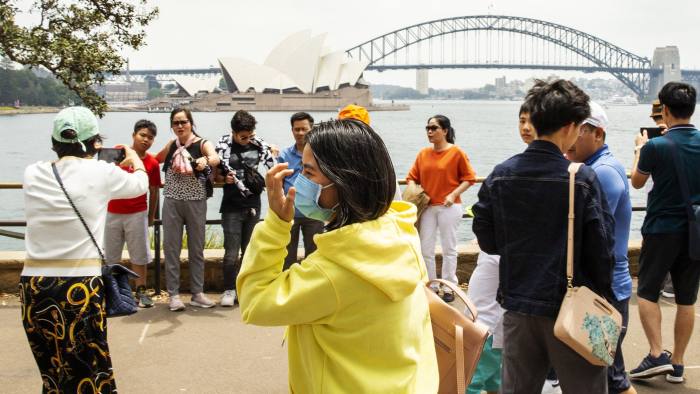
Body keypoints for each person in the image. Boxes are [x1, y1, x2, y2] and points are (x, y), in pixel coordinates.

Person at [236, 119, 439, 393]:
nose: (299, 182)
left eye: (309, 173)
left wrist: (275, 224)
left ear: (345, 181)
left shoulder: (332, 273)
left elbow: (254, 301)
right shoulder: (399, 233)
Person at [473, 79, 616, 394]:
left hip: (517, 308)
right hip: (570, 309)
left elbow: (487, 238)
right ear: (568, 127)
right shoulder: (581, 179)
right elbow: (602, 251)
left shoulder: (500, 174)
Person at [21, 106, 148, 392]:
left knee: (53, 374)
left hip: (34, 287)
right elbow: (140, 186)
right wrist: (135, 158)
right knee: (90, 372)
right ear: (95, 143)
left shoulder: (32, 173)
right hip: (78, 287)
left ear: (55, 143)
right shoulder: (101, 171)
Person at [629, 82, 700, 384]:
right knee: (686, 298)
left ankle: (657, 354)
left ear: (666, 111)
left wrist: (639, 150)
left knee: (647, 290)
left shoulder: (656, 147)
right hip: (695, 230)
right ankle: (679, 363)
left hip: (661, 229)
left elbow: (636, 182)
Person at [567, 102, 635, 394]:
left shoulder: (602, 173)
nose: (570, 138)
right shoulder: (596, 167)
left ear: (598, 133)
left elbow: (590, 237)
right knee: (607, 374)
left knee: (612, 379)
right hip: (605, 290)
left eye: (579, 131)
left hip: (604, 294)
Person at [467, 102, 535, 394]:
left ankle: (475, 380)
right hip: (505, 261)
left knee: (485, 317)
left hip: (501, 261)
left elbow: (483, 217)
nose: (525, 127)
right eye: (521, 120)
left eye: (532, 121)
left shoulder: (506, 171)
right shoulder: (569, 172)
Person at [155, 108, 220, 311]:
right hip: (172, 201)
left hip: (196, 201)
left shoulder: (202, 143)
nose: (180, 126)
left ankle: (197, 293)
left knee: (196, 249)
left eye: (183, 122)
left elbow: (215, 158)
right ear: (172, 126)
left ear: (191, 123)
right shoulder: (171, 145)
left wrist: (205, 160)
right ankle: (173, 295)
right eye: (176, 123)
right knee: (171, 249)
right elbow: (154, 159)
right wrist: (131, 153)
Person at [406, 115, 476, 302]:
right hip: (428, 207)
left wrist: (453, 194)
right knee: (425, 248)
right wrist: (413, 189)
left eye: (434, 128)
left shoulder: (456, 153)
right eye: (427, 128)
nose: (429, 131)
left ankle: (449, 286)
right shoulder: (423, 154)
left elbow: (469, 178)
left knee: (449, 248)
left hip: (449, 207)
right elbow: (411, 177)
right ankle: (432, 285)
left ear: (445, 130)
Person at [214, 110, 276, 306]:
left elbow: (273, 166)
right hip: (231, 203)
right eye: (242, 136)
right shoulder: (223, 147)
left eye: (249, 135)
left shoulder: (260, 146)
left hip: (253, 202)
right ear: (233, 132)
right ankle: (229, 290)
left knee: (249, 250)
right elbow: (214, 176)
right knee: (231, 252)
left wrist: (273, 152)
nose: (246, 139)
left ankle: (245, 289)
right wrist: (225, 178)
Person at [104, 119, 161, 308]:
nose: (146, 140)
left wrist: (151, 216)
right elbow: (103, 174)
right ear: (133, 135)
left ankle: (141, 290)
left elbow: (154, 190)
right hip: (112, 211)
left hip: (137, 213)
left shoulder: (152, 163)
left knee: (139, 255)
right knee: (111, 255)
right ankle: (110, 291)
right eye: (142, 135)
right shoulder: (119, 152)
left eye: (150, 138)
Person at [278, 112, 324, 269]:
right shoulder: (284, 155)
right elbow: (278, 183)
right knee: (287, 257)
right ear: (292, 130)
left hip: (314, 212)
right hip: (290, 214)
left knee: (314, 256)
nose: (300, 133)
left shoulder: (320, 154)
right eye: (296, 129)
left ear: (311, 129)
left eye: (304, 129)